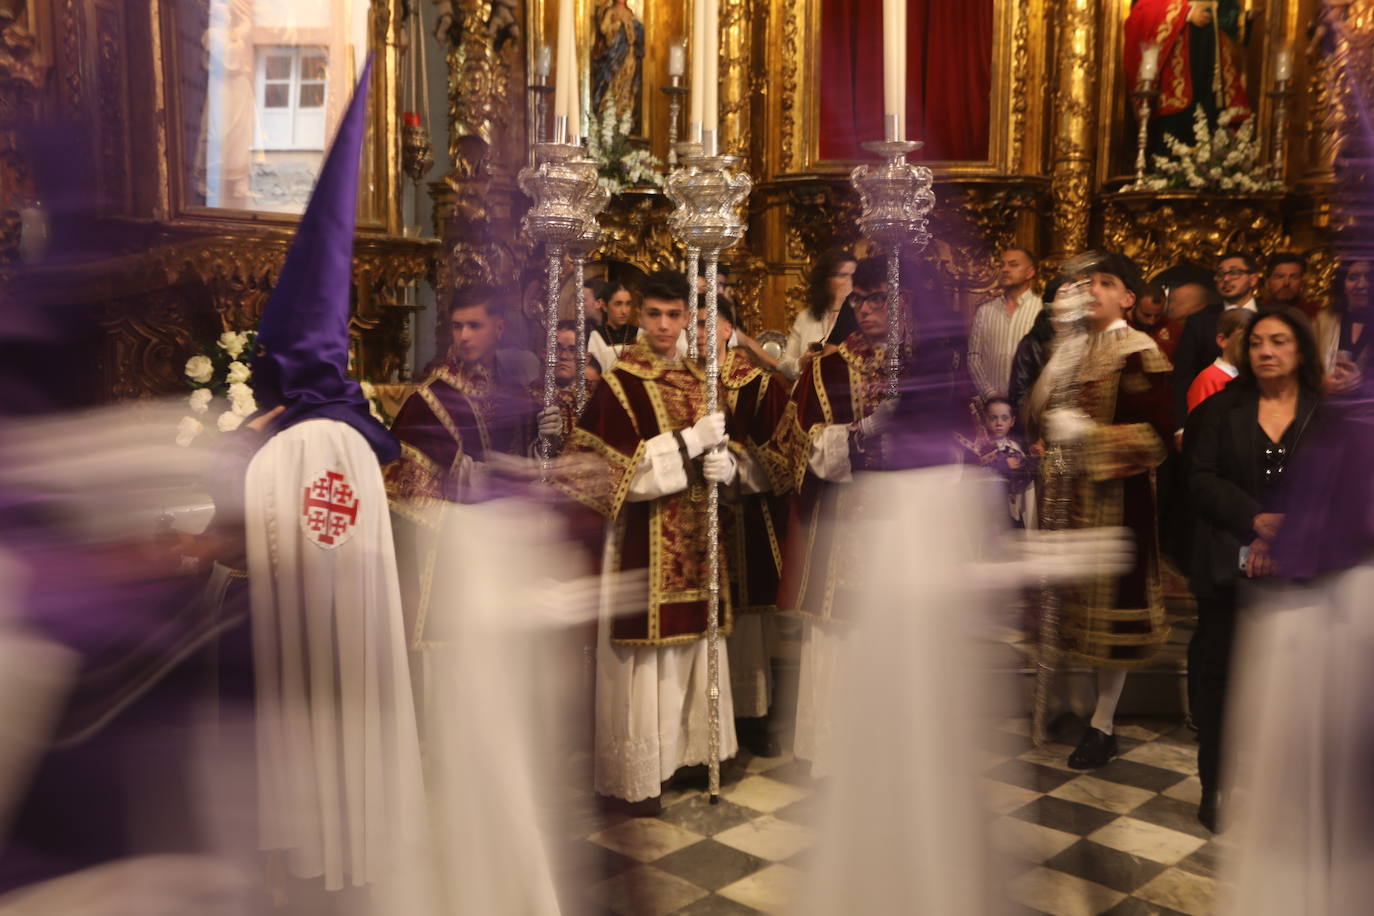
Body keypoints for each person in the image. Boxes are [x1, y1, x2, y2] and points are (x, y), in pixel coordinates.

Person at [241, 57, 430, 896]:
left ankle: (311, 853)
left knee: (307, 709)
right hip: (358, 632)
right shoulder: (358, 438)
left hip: (300, 641)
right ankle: (374, 841)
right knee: (361, 706)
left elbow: (255, 564)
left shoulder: (280, 450)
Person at [551, 269, 739, 813]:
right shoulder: (620, 383)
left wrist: (728, 466)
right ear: (637, 317)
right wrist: (685, 441)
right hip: (642, 540)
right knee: (644, 665)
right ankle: (640, 775)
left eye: (673, 315)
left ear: (686, 317)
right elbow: (607, 473)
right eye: (652, 314)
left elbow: (730, 451)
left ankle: (691, 756)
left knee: (695, 649)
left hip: (699, 536)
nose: (662, 325)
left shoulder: (704, 379)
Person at [1026, 251, 1174, 770]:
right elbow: (1038, 419)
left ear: (1128, 299)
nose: (1092, 290)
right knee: (1068, 613)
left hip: (1117, 503)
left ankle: (1103, 724)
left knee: (1110, 624)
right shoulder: (1070, 348)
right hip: (1067, 499)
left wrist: (1087, 437)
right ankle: (1071, 706)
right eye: (1087, 283)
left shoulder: (1139, 351)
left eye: (1106, 283)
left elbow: (1155, 439)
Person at [1184, 308, 1323, 832]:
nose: (1266, 351)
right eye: (1258, 342)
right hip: (1226, 561)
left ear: (1301, 351)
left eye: (1280, 341)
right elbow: (1200, 478)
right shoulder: (1218, 411)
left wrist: (1288, 527)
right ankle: (1214, 789)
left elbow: (1340, 485)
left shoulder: (1325, 414)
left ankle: (1289, 791)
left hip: (1305, 565)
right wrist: (1255, 521)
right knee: (1221, 681)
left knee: (1295, 682)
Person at [766, 255, 902, 776]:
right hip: (844, 519)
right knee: (843, 628)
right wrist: (863, 432)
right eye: (860, 300)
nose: (868, 309)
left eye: (880, 298)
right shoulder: (825, 367)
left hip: (901, 522)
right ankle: (833, 748)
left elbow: (962, 445)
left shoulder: (929, 369)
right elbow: (797, 448)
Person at [385, 285, 539, 649]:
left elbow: (531, 463)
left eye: (474, 326)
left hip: (503, 543)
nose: (464, 336)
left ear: (498, 328)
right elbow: (414, 488)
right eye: (457, 327)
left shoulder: (512, 392)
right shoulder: (430, 399)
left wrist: (539, 443)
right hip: (447, 546)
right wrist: (502, 474)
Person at [693, 299, 791, 758]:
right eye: (687, 322)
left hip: (743, 515)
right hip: (691, 521)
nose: (694, 332)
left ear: (728, 327)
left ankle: (751, 716)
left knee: (745, 630)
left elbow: (781, 459)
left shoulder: (756, 383)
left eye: (704, 322)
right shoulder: (679, 382)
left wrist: (734, 465)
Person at [1124, 0, 1252, 157]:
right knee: (1178, 125)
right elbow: (1142, 8)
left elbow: (1225, 14)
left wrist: (1243, 19)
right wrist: (1185, 13)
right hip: (1178, 55)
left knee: (1209, 116)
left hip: (1210, 55)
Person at [1172, 251, 1262, 444]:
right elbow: (1183, 376)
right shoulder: (1200, 321)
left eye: (1234, 272)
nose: (1226, 279)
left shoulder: (1272, 315)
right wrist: (1181, 426)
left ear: (1253, 279)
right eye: (1220, 274)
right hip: (1213, 417)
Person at [968, 247, 1041, 400]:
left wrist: (1030, 398)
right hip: (991, 409)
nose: (1005, 269)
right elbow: (974, 357)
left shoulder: (1041, 311)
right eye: (1002, 265)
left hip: (1028, 406)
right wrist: (990, 394)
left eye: (1013, 265)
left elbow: (1048, 361)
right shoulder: (985, 311)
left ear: (1030, 272)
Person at [775, 248, 857, 382]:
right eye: (842, 275)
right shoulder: (805, 317)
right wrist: (802, 362)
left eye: (853, 276)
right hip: (808, 391)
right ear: (825, 280)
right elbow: (784, 366)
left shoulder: (860, 317)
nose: (849, 281)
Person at [957, 396, 1038, 528]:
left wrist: (1031, 460)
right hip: (985, 510)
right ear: (985, 420)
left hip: (1010, 511)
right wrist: (1003, 466)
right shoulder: (979, 448)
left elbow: (1022, 479)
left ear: (1012, 421)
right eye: (993, 418)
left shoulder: (1014, 448)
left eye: (1004, 418)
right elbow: (973, 476)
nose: (999, 423)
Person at [1008, 275, 1067, 417]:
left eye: (1076, 295)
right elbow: (1019, 396)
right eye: (1064, 294)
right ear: (1050, 302)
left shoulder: (1088, 338)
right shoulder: (1031, 343)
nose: (1071, 301)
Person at [1185, 306, 1249, 414]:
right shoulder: (1208, 379)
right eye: (1243, 338)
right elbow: (1200, 424)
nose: (1249, 345)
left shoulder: (1249, 376)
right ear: (1222, 340)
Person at [1313, 257, 1371, 374]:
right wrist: (1323, 383)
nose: (1361, 285)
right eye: (1352, 278)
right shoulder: (1324, 320)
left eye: (1369, 277)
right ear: (1342, 285)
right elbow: (1307, 368)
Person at [587, 280, 640, 375]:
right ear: (605, 306)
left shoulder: (639, 334)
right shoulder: (596, 336)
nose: (624, 311)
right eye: (618, 304)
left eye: (628, 304)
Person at [1130, 282, 1184, 360]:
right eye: (1146, 315)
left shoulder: (1172, 327)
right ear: (1134, 305)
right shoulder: (1119, 325)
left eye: (1157, 316)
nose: (1152, 321)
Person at [1261, 252, 1317, 319]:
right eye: (1279, 277)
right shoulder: (1256, 313)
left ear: (1302, 283)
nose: (1286, 283)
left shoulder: (1316, 314)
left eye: (1294, 277)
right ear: (1267, 283)